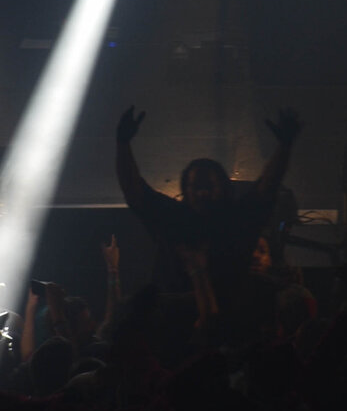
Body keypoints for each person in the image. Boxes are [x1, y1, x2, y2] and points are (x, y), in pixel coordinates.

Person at [115, 105, 299, 303]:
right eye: (196, 186)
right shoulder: (173, 217)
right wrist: (122, 144)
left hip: (222, 318)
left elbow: (268, 186)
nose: (202, 193)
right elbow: (134, 191)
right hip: (178, 318)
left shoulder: (236, 219)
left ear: (223, 188)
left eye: (209, 186)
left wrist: (284, 147)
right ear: (186, 189)